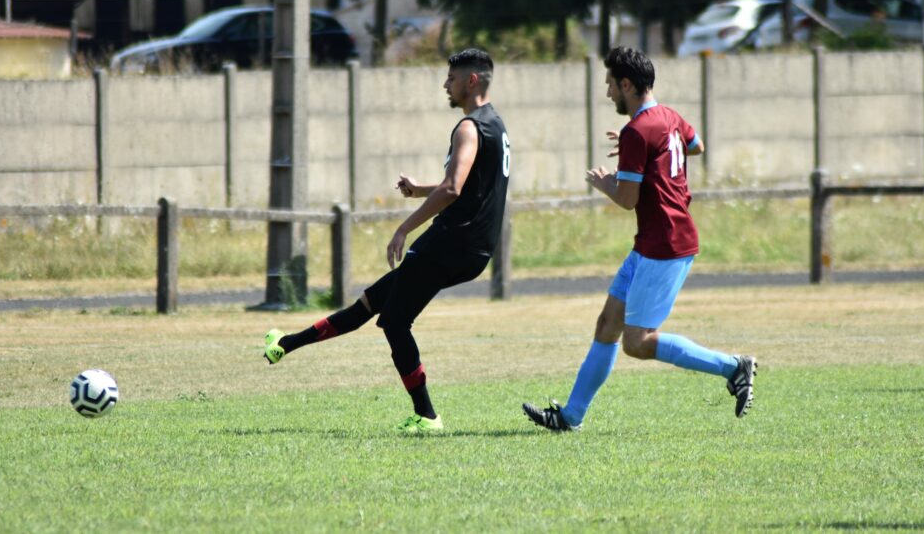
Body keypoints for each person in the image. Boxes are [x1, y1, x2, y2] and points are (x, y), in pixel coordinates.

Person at [263, 48, 510, 434]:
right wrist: (419, 190)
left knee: (394, 322)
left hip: (450, 242)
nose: (446, 84)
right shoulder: (496, 124)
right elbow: (469, 186)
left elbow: (452, 189)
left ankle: (427, 416)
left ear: (471, 81)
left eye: (451, 78)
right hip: (474, 248)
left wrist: (404, 227)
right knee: (372, 303)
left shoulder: (468, 127)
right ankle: (285, 344)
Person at [522, 47, 756, 432]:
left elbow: (627, 199)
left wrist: (604, 183)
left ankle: (733, 367)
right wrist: (645, 151)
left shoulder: (637, 131)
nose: (609, 92)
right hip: (653, 241)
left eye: (611, 84)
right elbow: (696, 146)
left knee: (637, 342)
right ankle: (569, 417)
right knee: (607, 324)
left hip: (664, 245)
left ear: (627, 84)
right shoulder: (668, 118)